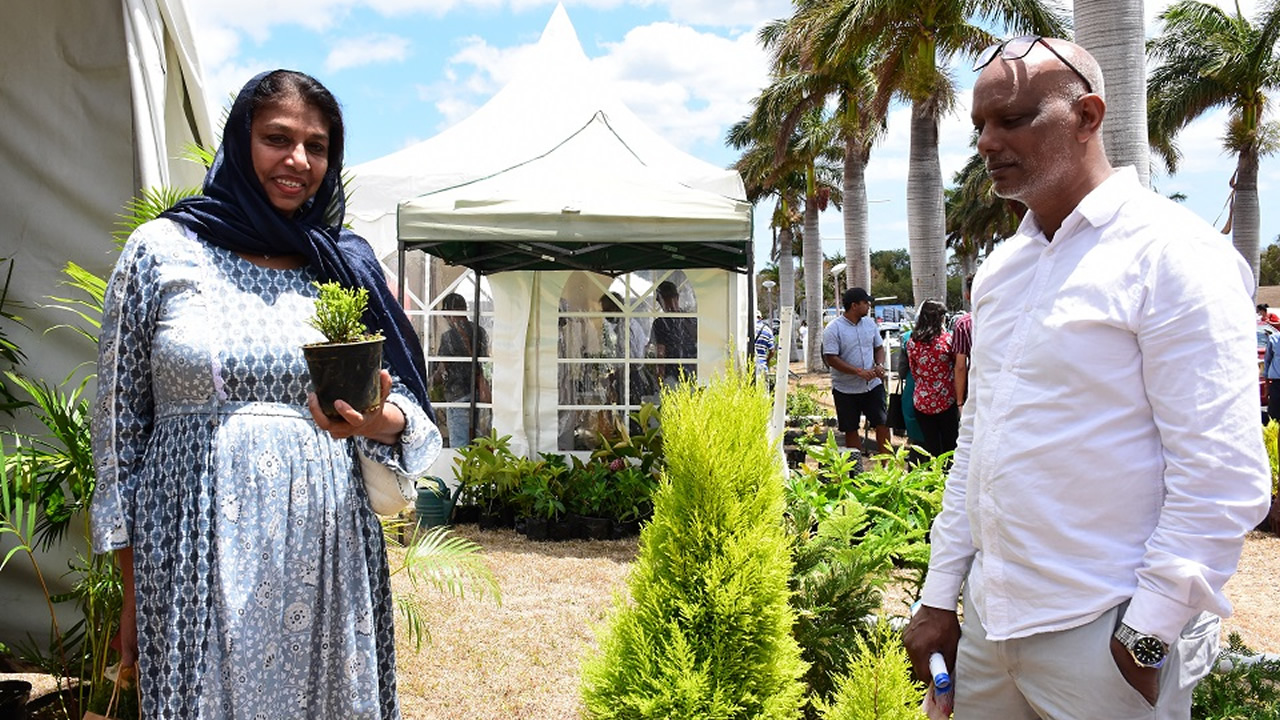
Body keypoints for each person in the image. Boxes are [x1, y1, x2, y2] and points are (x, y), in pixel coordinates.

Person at [903, 38, 1270, 720]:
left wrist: (1151, 632)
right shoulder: (1003, 273)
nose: (988, 141)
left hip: (1104, 632)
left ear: (1088, 114)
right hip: (992, 624)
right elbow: (977, 448)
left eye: (1012, 118)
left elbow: (1220, 474)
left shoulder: (1173, 253)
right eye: (980, 124)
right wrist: (939, 594)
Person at [90, 70, 442, 719]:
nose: (298, 161)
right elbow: (118, 432)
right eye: (277, 138)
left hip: (328, 556)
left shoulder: (342, 265)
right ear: (239, 141)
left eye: (318, 145)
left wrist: (371, 421)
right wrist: (132, 585)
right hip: (192, 551)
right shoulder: (161, 252)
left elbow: (412, 419)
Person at [821, 287, 889, 456]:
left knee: (883, 423)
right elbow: (831, 359)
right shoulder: (833, 328)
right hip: (846, 389)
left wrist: (879, 364)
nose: (869, 306)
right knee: (851, 428)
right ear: (854, 305)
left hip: (872, 385)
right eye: (866, 302)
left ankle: (886, 465)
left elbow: (878, 347)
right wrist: (858, 372)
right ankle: (857, 469)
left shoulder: (870, 323)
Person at [905, 299, 958, 459]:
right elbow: (957, 367)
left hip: (922, 402)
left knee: (931, 447)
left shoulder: (912, 342)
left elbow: (914, 372)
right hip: (946, 400)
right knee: (950, 447)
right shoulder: (948, 340)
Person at [436, 292, 490, 448]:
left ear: (449, 313)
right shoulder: (480, 331)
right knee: (480, 445)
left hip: (457, 395)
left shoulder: (448, 337)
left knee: (459, 448)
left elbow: (443, 367)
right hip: (478, 395)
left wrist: (434, 379)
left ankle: (463, 472)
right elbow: (484, 359)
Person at [650, 280, 696, 386]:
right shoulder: (691, 319)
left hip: (673, 376)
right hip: (690, 374)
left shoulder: (660, 323)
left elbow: (660, 353)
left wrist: (659, 376)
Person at [950, 277, 974, 412]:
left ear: (967, 295)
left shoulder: (964, 324)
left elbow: (960, 366)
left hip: (976, 386)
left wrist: (960, 402)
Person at [752, 312, 776, 385]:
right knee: (763, 392)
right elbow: (772, 351)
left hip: (747, 367)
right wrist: (767, 360)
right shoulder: (767, 330)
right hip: (762, 365)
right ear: (761, 318)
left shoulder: (745, 328)